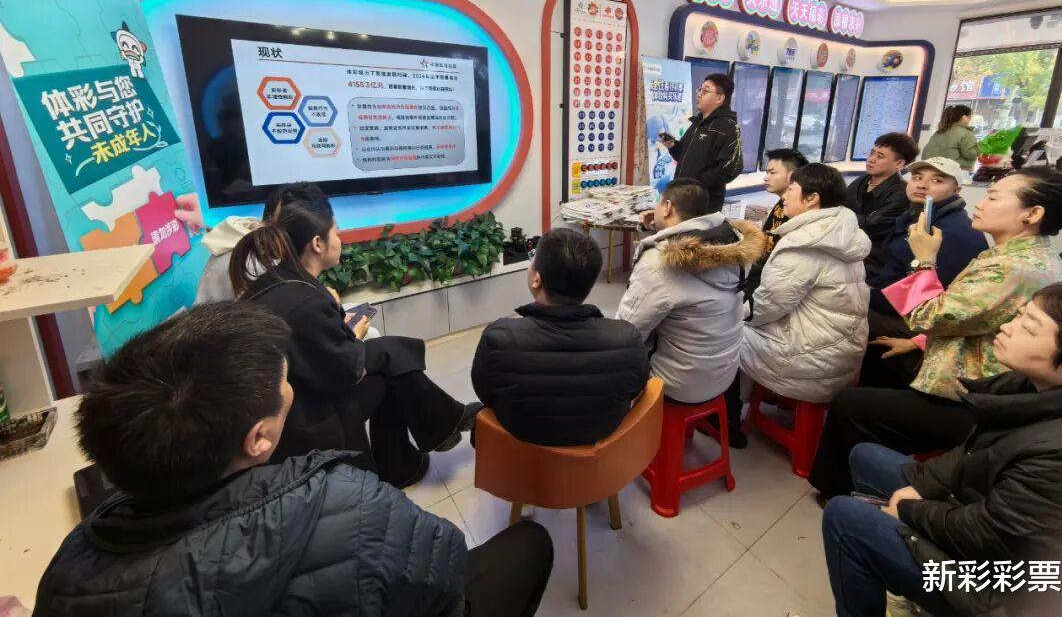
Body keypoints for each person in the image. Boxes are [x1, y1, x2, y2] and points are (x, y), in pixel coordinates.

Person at [35, 303, 553, 616]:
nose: (289, 389)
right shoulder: (348, 501)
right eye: (283, 382)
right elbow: (445, 567)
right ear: (258, 438)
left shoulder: (66, 571)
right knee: (531, 543)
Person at [810, 167, 1062, 499]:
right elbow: (977, 318)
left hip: (976, 398)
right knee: (881, 357)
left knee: (851, 402)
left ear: (1033, 214)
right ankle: (882, 466)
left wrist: (924, 260)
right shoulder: (1024, 257)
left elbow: (926, 316)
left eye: (994, 197)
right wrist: (917, 342)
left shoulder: (1013, 269)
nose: (980, 203)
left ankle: (840, 490)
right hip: (980, 378)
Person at [821, 282, 1062, 617]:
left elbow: (986, 535)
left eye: (1028, 328)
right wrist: (921, 488)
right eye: (1019, 316)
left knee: (845, 518)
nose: (1006, 327)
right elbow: (972, 451)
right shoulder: (1030, 387)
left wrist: (910, 510)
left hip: (1002, 588)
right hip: (985, 515)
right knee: (866, 456)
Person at [230, 192, 479, 488]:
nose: (341, 238)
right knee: (393, 365)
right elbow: (347, 369)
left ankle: (430, 439)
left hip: (295, 399)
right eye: (336, 232)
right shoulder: (306, 301)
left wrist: (340, 326)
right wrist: (352, 333)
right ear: (317, 243)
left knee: (391, 360)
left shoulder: (276, 280)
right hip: (302, 421)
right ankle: (435, 434)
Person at [616, 178, 767, 441]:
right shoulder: (733, 243)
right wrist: (657, 231)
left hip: (678, 382)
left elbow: (627, 331)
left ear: (667, 207)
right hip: (723, 374)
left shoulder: (659, 263)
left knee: (613, 354)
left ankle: (630, 442)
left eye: (659, 203)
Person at [471, 228, 648, 446]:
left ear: (537, 279)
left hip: (522, 444)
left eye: (532, 258)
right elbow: (635, 389)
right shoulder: (627, 339)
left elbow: (485, 393)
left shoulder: (498, 338)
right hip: (598, 445)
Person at [740, 163, 871, 403]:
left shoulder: (803, 244)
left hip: (811, 360)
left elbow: (767, 306)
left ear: (812, 199)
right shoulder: (842, 231)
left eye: (791, 189)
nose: (784, 196)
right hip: (842, 352)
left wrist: (736, 314)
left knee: (727, 332)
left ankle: (732, 415)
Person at [860, 157, 989, 389]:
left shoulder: (949, 232)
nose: (921, 184)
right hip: (900, 302)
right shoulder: (918, 217)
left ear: (956, 190)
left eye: (937, 180)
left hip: (922, 320)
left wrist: (861, 294)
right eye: (917, 177)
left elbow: (922, 301)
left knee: (841, 310)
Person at [661, 72, 743, 212]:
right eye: (699, 90)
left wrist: (698, 183)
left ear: (719, 98)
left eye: (705, 91)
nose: (699, 94)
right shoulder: (698, 123)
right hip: (682, 198)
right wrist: (673, 145)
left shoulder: (728, 127)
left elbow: (732, 168)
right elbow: (684, 155)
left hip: (703, 204)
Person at [846, 132, 919, 280]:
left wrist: (839, 213)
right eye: (872, 153)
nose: (871, 159)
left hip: (874, 263)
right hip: (849, 250)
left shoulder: (901, 193)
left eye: (880, 156)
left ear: (899, 164)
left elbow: (870, 225)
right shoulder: (860, 182)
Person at [743, 147, 809, 305]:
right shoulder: (782, 203)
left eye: (772, 173)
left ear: (792, 175)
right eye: (767, 172)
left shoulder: (796, 212)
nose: (766, 178)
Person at [921, 103, 979, 170]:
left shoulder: (940, 131)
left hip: (930, 167)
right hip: (951, 170)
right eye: (970, 116)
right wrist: (980, 147)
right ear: (964, 117)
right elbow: (971, 154)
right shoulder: (966, 133)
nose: (970, 119)